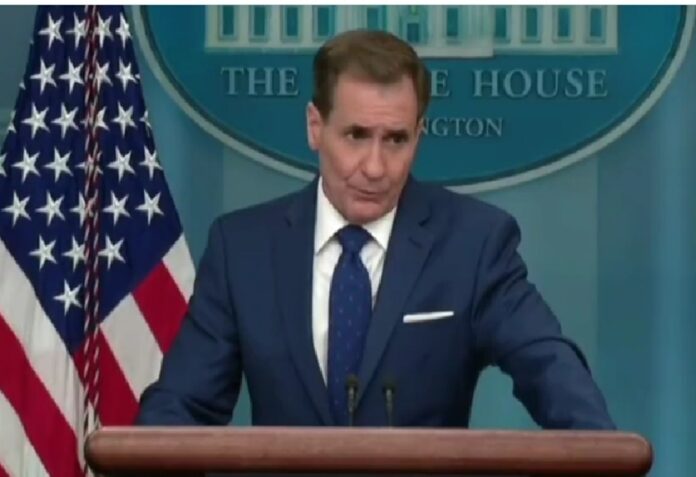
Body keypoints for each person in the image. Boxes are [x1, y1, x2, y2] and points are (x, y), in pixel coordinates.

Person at [136, 29, 614, 429]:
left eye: (396, 140)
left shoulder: (474, 243)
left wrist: (601, 451)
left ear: (419, 135)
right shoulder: (243, 249)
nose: (375, 167)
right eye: (356, 135)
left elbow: (548, 366)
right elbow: (182, 407)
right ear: (315, 127)